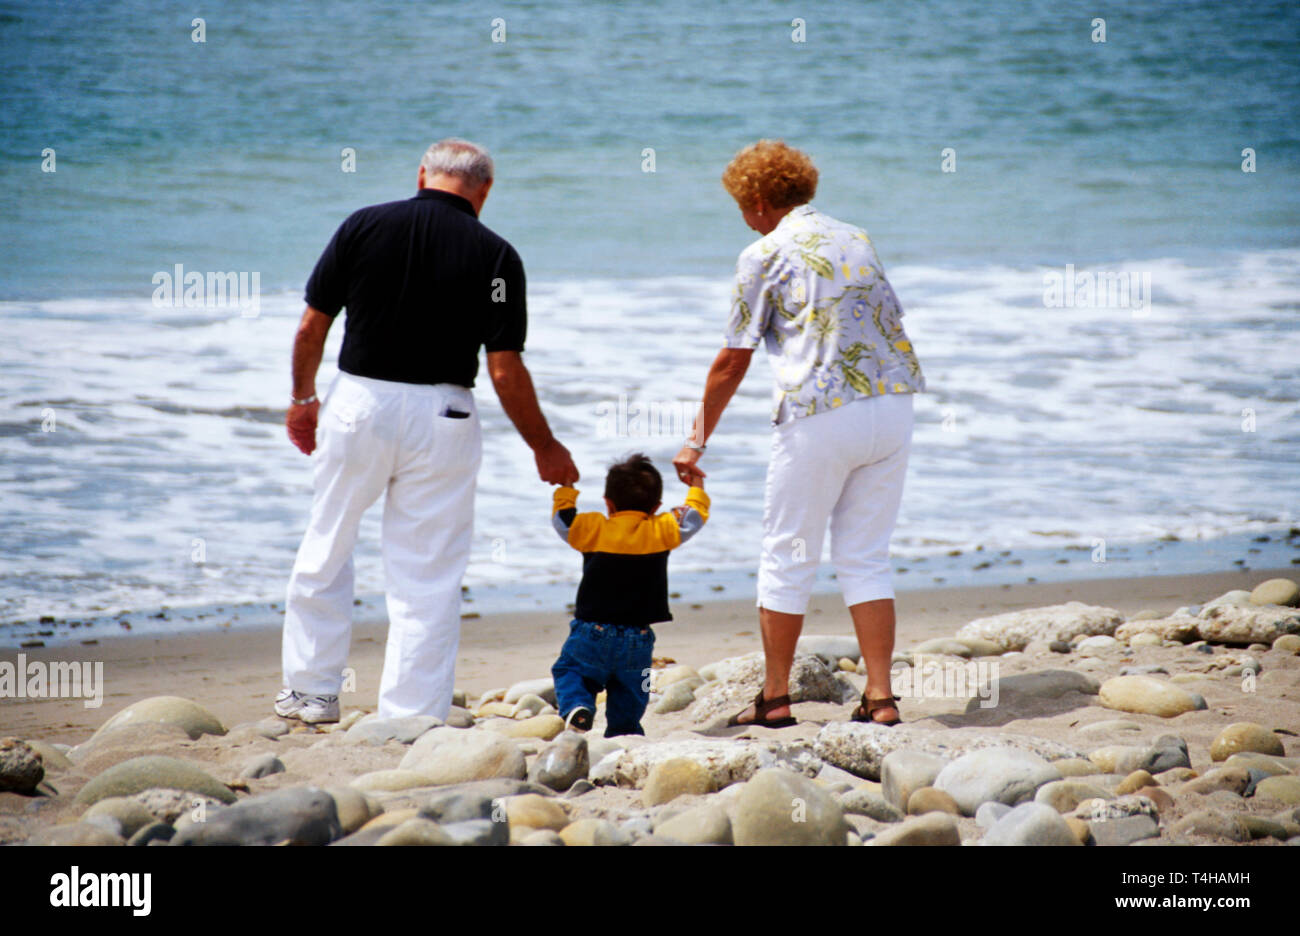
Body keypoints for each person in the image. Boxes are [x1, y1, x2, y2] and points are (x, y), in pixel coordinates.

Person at [278, 138, 578, 725]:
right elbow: (503, 367)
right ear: (484, 191)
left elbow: (312, 326)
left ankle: (312, 694)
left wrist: (301, 400)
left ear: (422, 174)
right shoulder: (498, 258)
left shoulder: (362, 226)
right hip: (446, 417)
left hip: (359, 404)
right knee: (427, 573)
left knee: (328, 542)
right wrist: (545, 446)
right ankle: (410, 717)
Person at [673, 140, 925, 728]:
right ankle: (881, 698)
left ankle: (777, 698)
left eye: (742, 205)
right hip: (891, 406)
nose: (743, 215)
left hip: (820, 413)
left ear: (759, 201)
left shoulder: (762, 253)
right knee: (866, 556)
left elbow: (732, 361)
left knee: (787, 554)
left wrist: (695, 441)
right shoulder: (856, 237)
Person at [549, 454, 709, 736]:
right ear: (657, 506)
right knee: (636, 687)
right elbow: (693, 518)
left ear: (608, 503)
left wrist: (566, 489)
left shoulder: (593, 528)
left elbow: (563, 522)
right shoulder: (662, 528)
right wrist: (695, 488)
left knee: (569, 671)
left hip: (591, 633)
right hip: (639, 639)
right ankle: (626, 731)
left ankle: (578, 705)